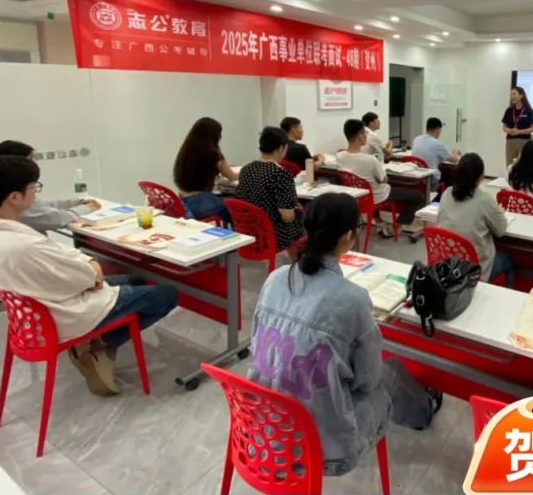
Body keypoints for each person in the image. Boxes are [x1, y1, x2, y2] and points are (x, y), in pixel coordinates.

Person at [247, 193, 441, 476]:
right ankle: (425, 412)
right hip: (323, 449)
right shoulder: (352, 299)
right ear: (348, 236)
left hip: (264, 427)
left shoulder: (276, 278)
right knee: (390, 372)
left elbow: (256, 343)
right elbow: (367, 381)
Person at [0, 156, 178, 396]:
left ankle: (97, 342)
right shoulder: (22, 246)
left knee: (134, 280)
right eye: (33, 187)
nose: (36, 193)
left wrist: (88, 265)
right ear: (14, 197)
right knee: (166, 294)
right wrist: (91, 268)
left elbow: (61, 259)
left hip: (32, 311)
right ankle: (101, 345)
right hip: (63, 312)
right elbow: (86, 279)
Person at [336, 119, 425, 237]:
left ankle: (379, 222)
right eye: (365, 133)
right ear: (359, 136)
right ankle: (396, 226)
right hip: (377, 196)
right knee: (418, 196)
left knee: (375, 186)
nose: (366, 135)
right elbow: (384, 179)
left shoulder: (339, 156)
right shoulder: (370, 159)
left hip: (357, 196)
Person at [437, 153, 514, 288]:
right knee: (508, 259)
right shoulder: (485, 200)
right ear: (480, 177)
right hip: (474, 271)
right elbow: (501, 230)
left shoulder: (447, 193)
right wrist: (499, 213)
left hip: (447, 265)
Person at [0, 140, 101, 232]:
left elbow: (40, 206)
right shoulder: (12, 193)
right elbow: (54, 219)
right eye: (31, 160)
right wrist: (87, 208)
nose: (35, 164)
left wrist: (73, 202)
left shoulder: (4, 185)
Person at [235, 126, 304, 255]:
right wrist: (294, 209)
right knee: (302, 218)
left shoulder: (246, 169)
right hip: (271, 234)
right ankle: (299, 263)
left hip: (247, 231)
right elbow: (288, 218)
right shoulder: (280, 174)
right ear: (281, 148)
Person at [173, 117, 236, 223]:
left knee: (223, 198)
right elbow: (232, 177)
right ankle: (240, 231)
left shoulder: (186, 151)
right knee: (236, 207)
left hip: (184, 202)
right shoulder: (214, 155)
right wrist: (245, 171)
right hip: (201, 202)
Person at [411, 117, 459, 186]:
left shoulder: (416, 139)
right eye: (440, 130)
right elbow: (454, 160)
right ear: (437, 129)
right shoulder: (437, 144)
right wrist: (455, 152)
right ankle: (443, 193)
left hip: (417, 178)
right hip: (431, 180)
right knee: (451, 175)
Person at [501, 86, 533, 164]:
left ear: (521, 96)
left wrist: (519, 132)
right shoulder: (509, 110)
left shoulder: (529, 110)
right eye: (511, 94)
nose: (512, 96)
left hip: (524, 141)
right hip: (510, 141)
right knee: (510, 164)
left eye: (514, 94)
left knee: (523, 164)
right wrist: (509, 130)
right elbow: (504, 127)